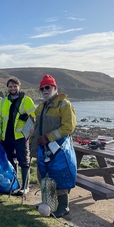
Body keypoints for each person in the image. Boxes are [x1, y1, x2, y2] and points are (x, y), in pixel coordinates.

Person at [30, 74, 77, 217]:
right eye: (42, 88)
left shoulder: (65, 104)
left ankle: (64, 206)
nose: (44, 90)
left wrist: (48, 137)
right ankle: (49, 203)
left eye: (47, 87)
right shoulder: (42, 106)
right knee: (43, 175)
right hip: (43, 147)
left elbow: (69, 126)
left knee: (59, 175)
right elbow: (35, 122)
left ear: (55, 88)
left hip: (59, 148)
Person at [0, 77, 36, 196]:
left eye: (15, 86)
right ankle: (13, 182)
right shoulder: (2, 101)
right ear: (7, 88)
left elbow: (34, 117)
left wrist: (29, 128)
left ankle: (25, 187)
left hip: (21, 136)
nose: (12, 88)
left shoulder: (27, 100)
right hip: (6, 136)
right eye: (10, 86)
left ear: (19, 87)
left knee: (24, 160)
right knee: (10, 160)